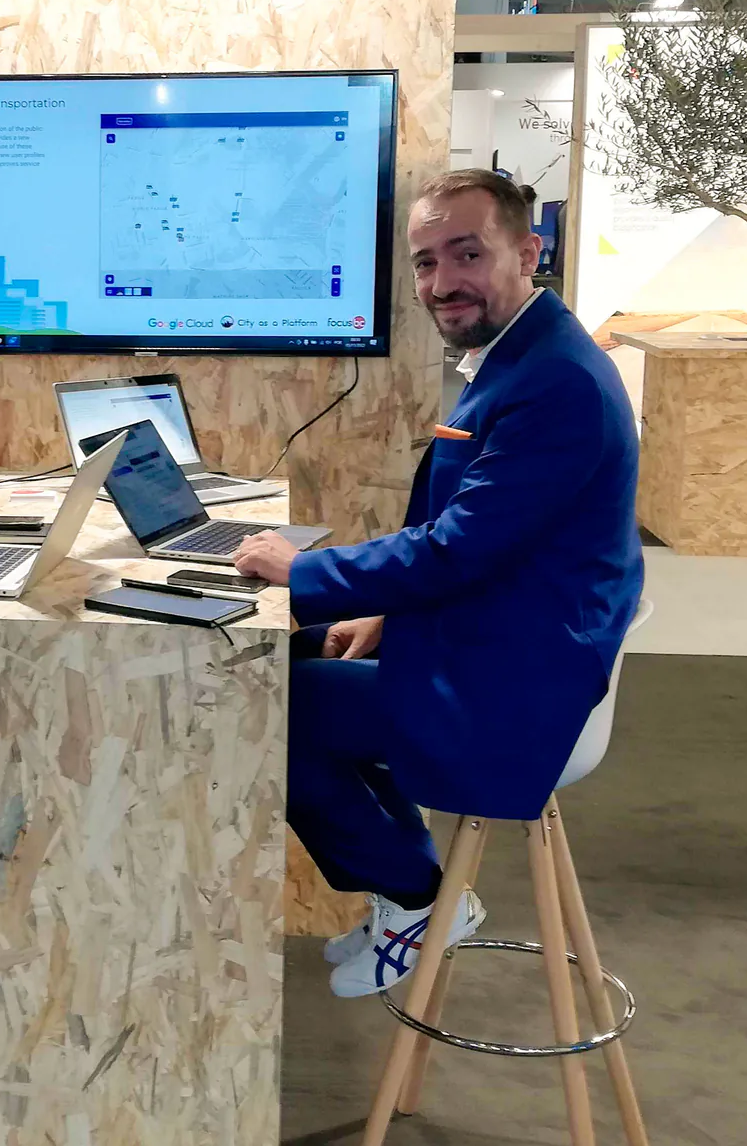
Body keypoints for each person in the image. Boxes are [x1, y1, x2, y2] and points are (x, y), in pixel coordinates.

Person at [230, 170, 643, 998]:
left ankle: (419, 900)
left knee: (269, 707)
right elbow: (479, 539)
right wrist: (378, 608)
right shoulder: (519, 356)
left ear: (529, 252)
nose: (442, 282)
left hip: (516, 682)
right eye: (425, 262)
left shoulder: (554, 383)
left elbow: (455, 550)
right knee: (304, 651)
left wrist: (300, 572)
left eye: (467, 253)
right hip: (506, 632)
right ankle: (410, 900)